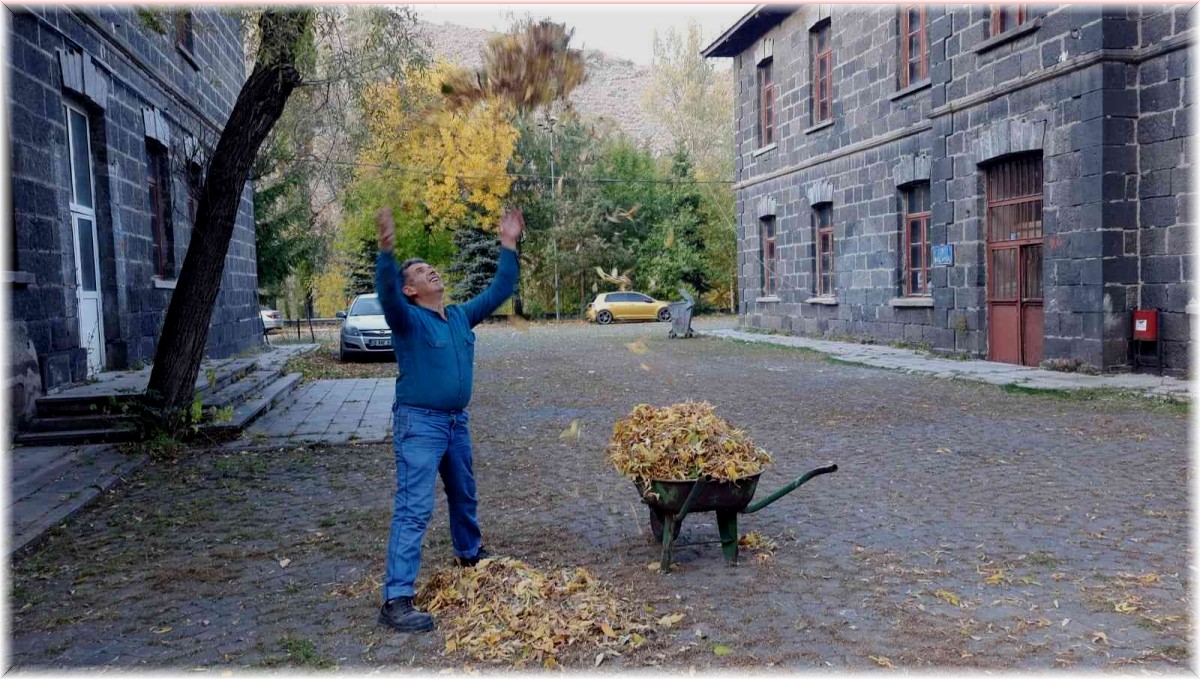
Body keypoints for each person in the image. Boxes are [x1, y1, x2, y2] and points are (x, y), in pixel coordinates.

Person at [374, 206, 524, 633]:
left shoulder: (458, 316)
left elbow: (499, 290)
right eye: (421, 271)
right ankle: (396, 600)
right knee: (414, 509)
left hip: (456, 423)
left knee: (464, 494)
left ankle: (470, 556)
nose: (431, 272)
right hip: (419, 424)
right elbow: (385, 294)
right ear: (410, 290)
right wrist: (387, 252)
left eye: (431, 267)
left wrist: (508, 244)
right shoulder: (406, 319)